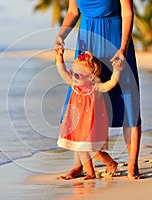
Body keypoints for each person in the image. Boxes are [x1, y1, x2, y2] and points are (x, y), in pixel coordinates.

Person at [53, 0, 142, 180]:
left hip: (115, 39)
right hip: (88, 39)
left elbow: (128, 13)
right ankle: (79, 166)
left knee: (127, 102)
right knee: (79, 98)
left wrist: (123, 48)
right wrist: (61, 35)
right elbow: (72, 12)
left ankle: (133, 166)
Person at [55, 50, 123, 180]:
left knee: (95, 152)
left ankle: (111, 163)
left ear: (91, 77)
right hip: (77, 125)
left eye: (77, 75)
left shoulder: (95, 88)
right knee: (81, 149)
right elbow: (62, 72)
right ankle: (90, 173)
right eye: (72, 73)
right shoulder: (74, 85)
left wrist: (117, 70)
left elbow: (112, 83)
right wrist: (59, 57)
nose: (73, 77)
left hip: (91, 126)